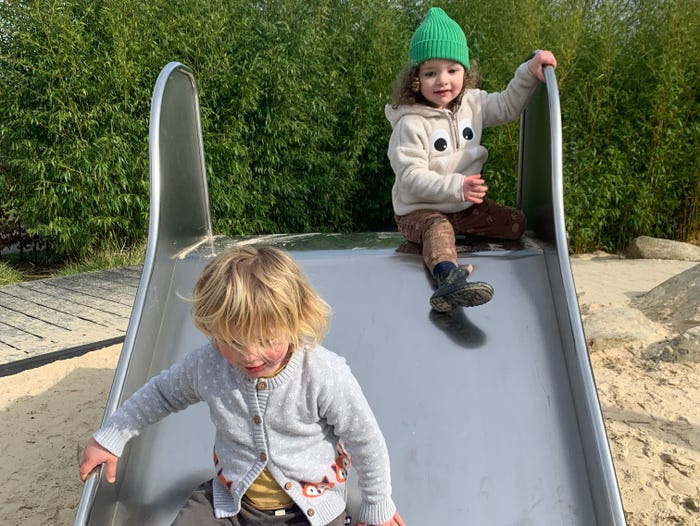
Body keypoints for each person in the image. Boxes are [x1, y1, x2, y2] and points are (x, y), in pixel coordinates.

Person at [79, 246, 404, 526]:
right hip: (231, 500)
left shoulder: (322, 373)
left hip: (310, 508)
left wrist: (378, 503)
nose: (249, 355)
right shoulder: (208, 364)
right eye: (232, 341)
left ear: (295, 320)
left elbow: (363, 438)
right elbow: (161, 394)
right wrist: (113, 435)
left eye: (264, 339)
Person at [386, 7, 557, 312]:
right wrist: (457, 187)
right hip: (418, 211)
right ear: (415, 80)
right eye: (430, 73)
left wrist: (528, 73)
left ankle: (454, 237)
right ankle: (448, 282)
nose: (443, 80)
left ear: (465, 72)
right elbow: (410, 177)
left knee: (515, 224)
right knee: (438, 229)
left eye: (452, 70)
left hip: (462, 206)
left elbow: (506, 107)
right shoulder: (410, 123)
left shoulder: (473, 104)